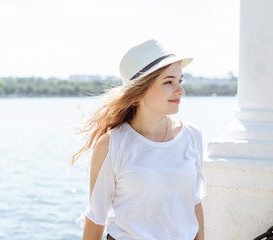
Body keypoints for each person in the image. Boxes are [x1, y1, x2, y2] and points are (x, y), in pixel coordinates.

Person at [72, 39, 207, 240]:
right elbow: (96, 218)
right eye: (168, 82)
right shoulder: (113, 144)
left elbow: (194, 203)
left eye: (180, 80)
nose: (180, 90)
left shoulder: (192, 136)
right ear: (140, 90)